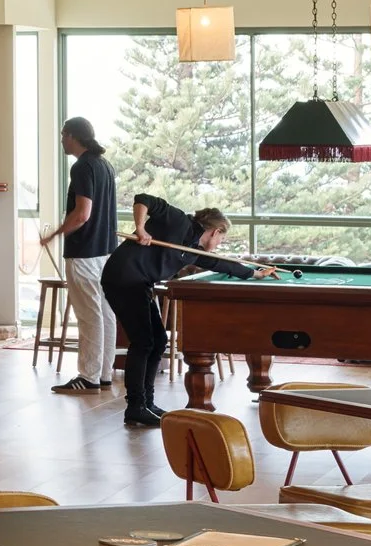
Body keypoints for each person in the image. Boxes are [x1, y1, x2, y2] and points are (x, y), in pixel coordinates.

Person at [102, 195, 276, 427]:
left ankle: (147, 403)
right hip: (122, 278)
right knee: (143, 342)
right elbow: (143, 200)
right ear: (215, 232)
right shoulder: (178, 221)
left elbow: (220, 263)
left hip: (140, 283)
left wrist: (255, 274)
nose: (220, 244)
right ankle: (136, 407)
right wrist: (141, 229)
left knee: (159, 340)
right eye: (222, 238)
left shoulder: (195, 250)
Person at [44, 116, 118, 395]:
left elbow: (82, 213)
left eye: (64, 134)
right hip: (106, 252)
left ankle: (88, 377)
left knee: (89, 316)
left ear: (74, 136)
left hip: (84, 252)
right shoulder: (105, 166)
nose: (62, 139)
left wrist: (56, 233)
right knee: (105, 313)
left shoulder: (82, 166)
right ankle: (103, 373)